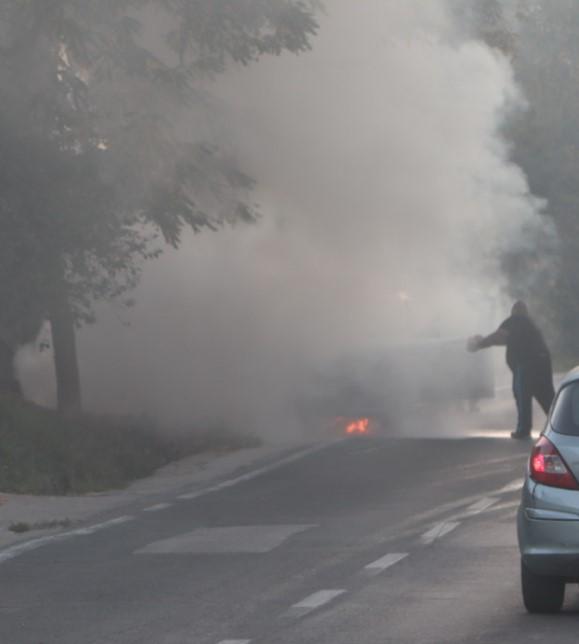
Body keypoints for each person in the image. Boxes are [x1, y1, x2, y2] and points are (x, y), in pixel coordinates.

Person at [467, 301, 555, 439]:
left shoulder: (514, 321)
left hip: (527, 363)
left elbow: (499, 337)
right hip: (543, 361)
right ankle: (562, 427)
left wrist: (479, 344)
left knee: (522, 395)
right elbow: (504, 339)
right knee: (547, 396)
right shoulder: (530, 323)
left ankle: (523, 429)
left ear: (513, 311)